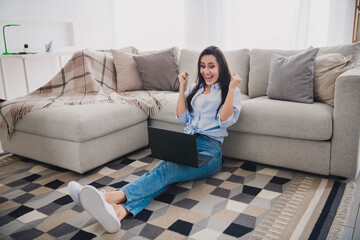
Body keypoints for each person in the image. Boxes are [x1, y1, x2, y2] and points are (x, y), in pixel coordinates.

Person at [68, 45, 242, 233]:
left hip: (210, 151)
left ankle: (110, 197)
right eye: (202, 66)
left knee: (166, 170)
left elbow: (224, 121)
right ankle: (120, 211)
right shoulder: (195, 89)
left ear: (221, 68)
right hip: (187, 143)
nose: (206, 71)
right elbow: (182, 118)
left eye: (211, 66)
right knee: (162, 175)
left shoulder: (229, 91)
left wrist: (231, 89)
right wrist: (183, 87)